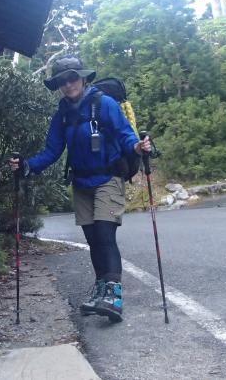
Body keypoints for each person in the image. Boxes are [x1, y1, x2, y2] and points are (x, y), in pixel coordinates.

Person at [9, 54, 151, 323]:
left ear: (83, 79)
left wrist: (137, 147)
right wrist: (27, 166)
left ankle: (114, 295)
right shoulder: (62, 114)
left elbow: (125, 135)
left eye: (72, 78)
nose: (68, 84)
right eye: (62, 81)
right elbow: (52, 151)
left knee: (105, 234)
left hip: (108, 178)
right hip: (81, 182)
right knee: (93, 239)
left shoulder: (104, 104)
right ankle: (101, 289)